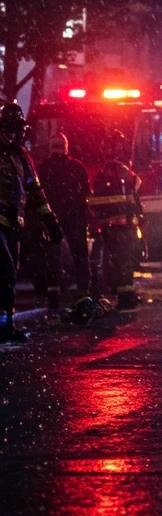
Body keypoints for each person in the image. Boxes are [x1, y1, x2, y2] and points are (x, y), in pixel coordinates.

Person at [0, 104, 61, 341]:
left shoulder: (22, 157)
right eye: (10, 130)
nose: (15, 135)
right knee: (4, 267)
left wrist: (50, 220)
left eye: (18, 130)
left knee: (9, 274)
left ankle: (5, 324)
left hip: (13, 225)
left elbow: (35, 190)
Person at [88, 130, 144, 310]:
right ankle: (126, 297)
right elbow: (136, 193)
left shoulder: (101, 176)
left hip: (109, 227)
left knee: (110, 263)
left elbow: (95, 202)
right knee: (124, 263)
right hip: (125, 226)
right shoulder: (127, 174)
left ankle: (115, 294)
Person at [36, 133, 92, 311]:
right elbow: (86, 195)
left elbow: (36, 195)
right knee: (77, 255)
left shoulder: (43, 168)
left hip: (55, 219)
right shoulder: (76, 167)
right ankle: (82, 292)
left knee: (54, 256)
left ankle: (54, 295)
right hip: (70, 218)